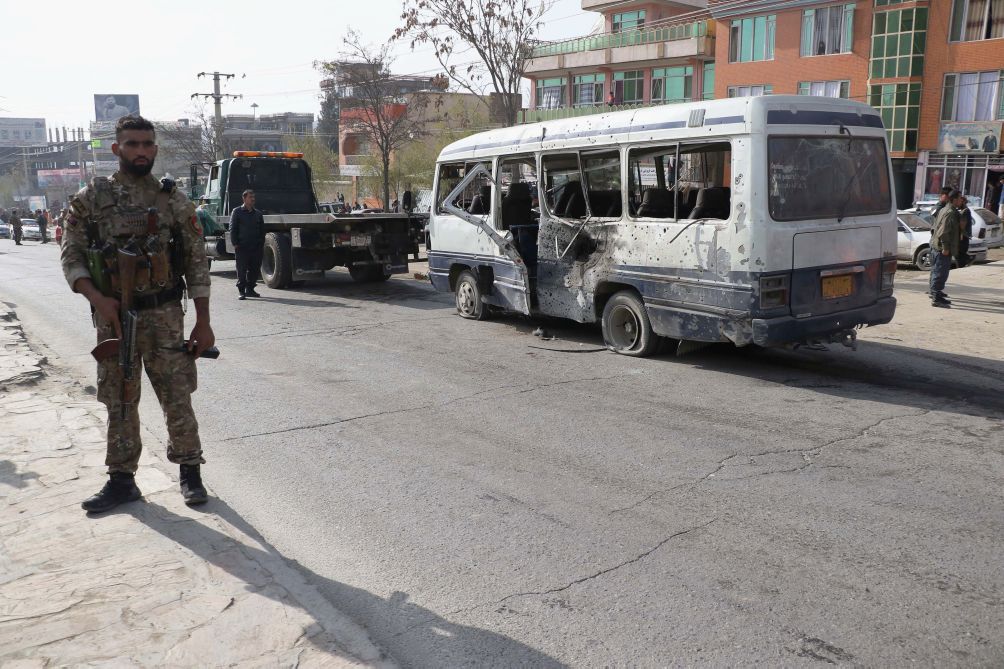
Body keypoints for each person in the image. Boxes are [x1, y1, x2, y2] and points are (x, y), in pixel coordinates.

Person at [61, 115, 214, 513]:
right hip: (114, 316)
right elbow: (71, 256)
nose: (141, 151)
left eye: (147, 144)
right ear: (117, 149)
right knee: (121, 398)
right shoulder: (92, 198)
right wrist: (98, 298)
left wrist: (203, 320)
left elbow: (197, 261)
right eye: (132, 144)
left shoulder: (172, 200)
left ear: (155, 149)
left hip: (165, 313)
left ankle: (190, 471)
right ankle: (122, 479)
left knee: (177, 395)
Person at [929, 190, 963, 308]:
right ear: (954, 199)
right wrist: (945, 247)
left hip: (937, 247)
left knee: (938, 272)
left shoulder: (945, 209)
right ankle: (936, 298)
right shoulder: (949, 212)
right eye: (959, 198)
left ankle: (937, 294)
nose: (961, 201)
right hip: (941, 248)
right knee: (940, 273)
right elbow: (943, 232)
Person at [229, 189, 265, 300]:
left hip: (255, 247)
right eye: (250, 197)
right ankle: (241, 291)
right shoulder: (237, 211)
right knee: (242, 270)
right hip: (242, 247)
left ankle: (250, 289)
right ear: (244, 198)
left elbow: (262, 230)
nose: (253, 199)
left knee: (254, 269)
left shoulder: (258, 214)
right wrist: (235, 243)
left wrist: (261, 244)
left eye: (253, 197)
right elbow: (232, 228)